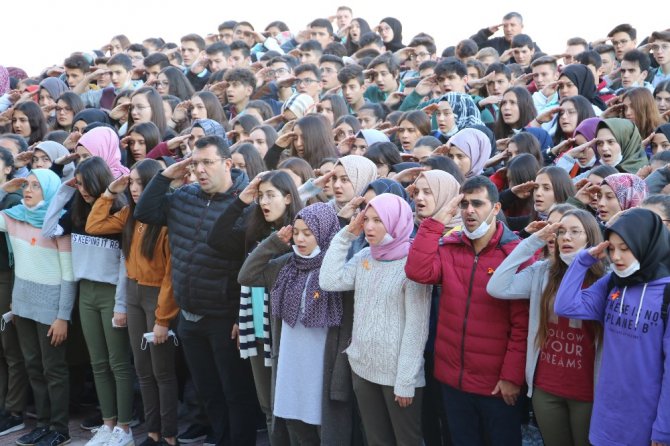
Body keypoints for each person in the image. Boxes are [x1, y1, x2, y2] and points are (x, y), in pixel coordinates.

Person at [134, 135, 257, 446]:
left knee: (235, 393)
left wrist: (241, 317)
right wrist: (165, 177)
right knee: (208, 392)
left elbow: (250, 264)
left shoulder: (245, 202)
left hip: (225, 315)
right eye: (195, 162)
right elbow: (144, 213)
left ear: (228, 164)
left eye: (208, 162)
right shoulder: (184, 196)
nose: (200, 169)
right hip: (189, 313)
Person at [405, 175, 530, 446]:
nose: (469, 211)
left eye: (477, 204)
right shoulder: (451, 247)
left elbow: (523, 325)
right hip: (453, 380)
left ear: (496, 208)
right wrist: (437, 222)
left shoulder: (515, 254)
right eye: (464, 204)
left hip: (496, 385)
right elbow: (417, 271)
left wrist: (511, 377)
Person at [488, 210, 606, 446]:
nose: (566, 238)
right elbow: (497, 287)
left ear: (590, 237)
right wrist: (533, 241)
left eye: (575, 232)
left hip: (588, 391)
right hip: (546, 387)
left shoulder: (605, 278)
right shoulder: (543, 271)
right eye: (561, 232)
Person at [320, 193, 431, 445]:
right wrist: (347, 234)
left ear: (395, 222)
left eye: (378, 220)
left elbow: (417, 328)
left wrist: (405, 381)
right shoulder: (364, 257)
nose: (368, 227)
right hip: (362, 367)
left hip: (397, 376)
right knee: (376, 440)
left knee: (407, 440)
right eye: (366, 219)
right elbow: (329, 281)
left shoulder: (412, 264)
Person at [554, 208, 670, 446]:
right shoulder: (613, 282)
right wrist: (583, 260)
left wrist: (664, 428)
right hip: (607, 416)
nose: (616, 257)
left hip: (648, 421)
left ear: (647, 244)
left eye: (625, 249)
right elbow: (565, 306)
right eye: (612, 248)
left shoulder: (666, 292)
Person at [85, 159, 179, 446]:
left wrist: (163, 318)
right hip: (134, 293)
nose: (135, 189)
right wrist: (111, 192)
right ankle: (152, 433)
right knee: (143, 369)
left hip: (157, 296)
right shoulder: (129, 214)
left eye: (141, 183)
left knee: (162, 370)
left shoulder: (165, 219)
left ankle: (170, 436)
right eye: (132, 182)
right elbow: (94, 225)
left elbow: (171, 276)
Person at [42, 157, 135, 446]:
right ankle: (107, 425)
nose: (80, 188)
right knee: (98, 363)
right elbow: (47, 230)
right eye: (77, 183)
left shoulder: (118, 212)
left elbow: (123, 265)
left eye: (83, 183)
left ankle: (124, 428)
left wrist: (120, 304)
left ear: (97, 180)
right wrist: (63, 192)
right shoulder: (78, 210)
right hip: (86, 292)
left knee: (118, 363)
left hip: (111, 293)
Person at [239, 202, 341, 444]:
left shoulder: (335, 267)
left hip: (321, 362)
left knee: (323, 427)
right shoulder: (287, 264)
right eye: (297, 232)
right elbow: (246, 275)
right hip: (290, 361)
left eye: (308, 233)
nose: (301, 239)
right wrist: (274, 243)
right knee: (296, 427)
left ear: (324, 232)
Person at [0, 169, 74, 446]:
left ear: (51, 191)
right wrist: (6, 190)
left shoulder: (58, 225)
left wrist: (63, 317)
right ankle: (42, 425)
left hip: (51, 311)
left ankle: (60, 429)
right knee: (33, 367)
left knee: (53, 370)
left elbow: (69, 276)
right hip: (22, 306)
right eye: (26, 185)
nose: (28, 190)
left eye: (36, 186)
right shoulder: (14, 216)